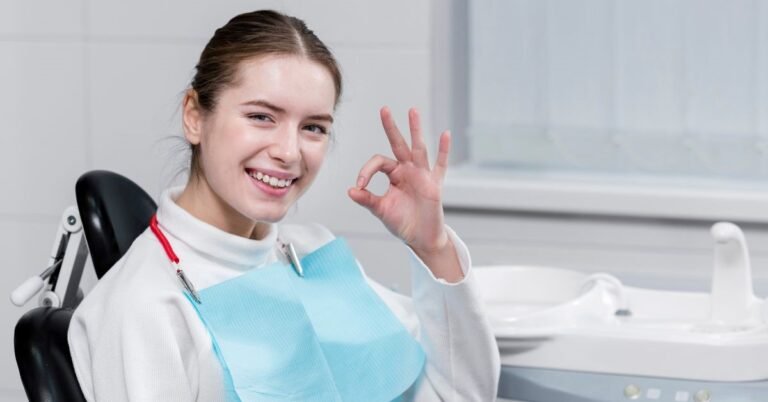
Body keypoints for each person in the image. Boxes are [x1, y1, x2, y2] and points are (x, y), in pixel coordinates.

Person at [68, 9, 500, 402]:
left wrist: (432, 246)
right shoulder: (146, 307)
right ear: (195, 116)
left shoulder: (313, 255)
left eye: (313, 127)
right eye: (261, 116)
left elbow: (456, 394)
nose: (290, 152)